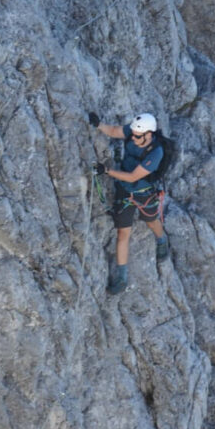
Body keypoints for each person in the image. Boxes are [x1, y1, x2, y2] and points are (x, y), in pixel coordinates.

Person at [89, 110, 168, 294]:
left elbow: (133, 177)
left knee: (151, 220)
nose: (133, 138)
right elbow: (116, 131)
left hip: (143, 192)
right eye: (133, 134)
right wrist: (99, 124)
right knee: (122, 234)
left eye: (138, 136)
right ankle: (122, 277)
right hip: (125, 191)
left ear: (149, 134)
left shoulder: (156, 153)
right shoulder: (135, 132)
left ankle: (161, 240)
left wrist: (106, 171)